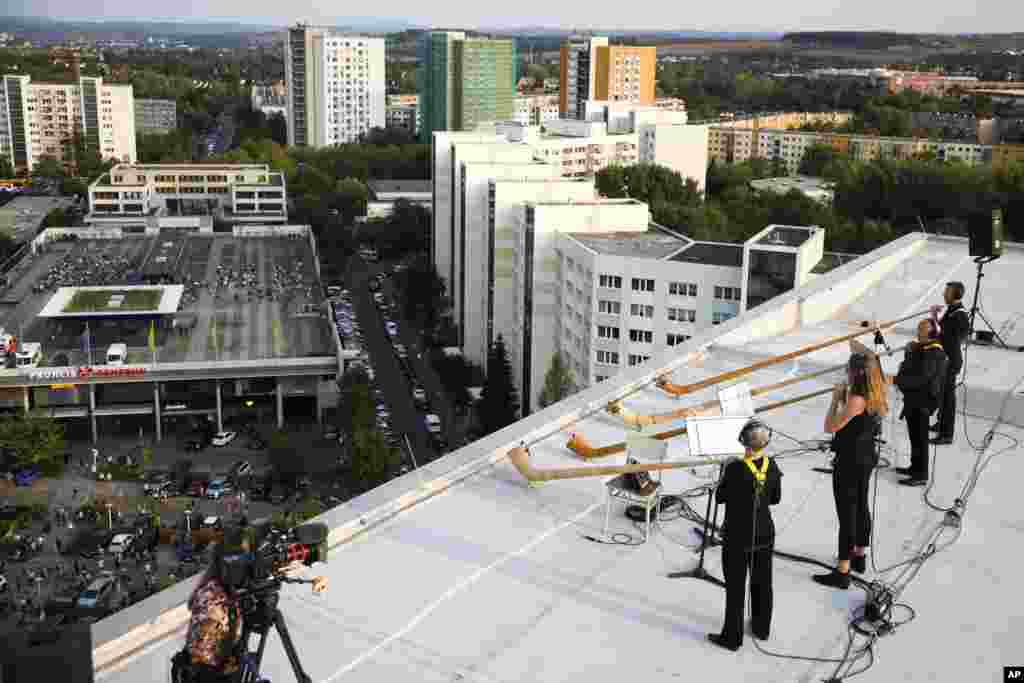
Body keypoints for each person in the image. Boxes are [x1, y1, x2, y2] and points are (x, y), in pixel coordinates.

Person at [708, 418, 782, 652]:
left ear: (744, 443)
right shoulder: (772, 465)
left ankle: (732, 637)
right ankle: (762, 627)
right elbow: (775, 499)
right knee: (763, 582)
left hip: (737, 536)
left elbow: (720, 497)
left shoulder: (735, 468)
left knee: (736, 587)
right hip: (765, 533)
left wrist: (725, 473)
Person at [815, 352, 888, 589]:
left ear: (854, 373)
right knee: (861, 505)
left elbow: (830, 426)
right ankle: (859, 556)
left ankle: (843, 571)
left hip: (850, 461)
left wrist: (835, 399)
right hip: (866, 456)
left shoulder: (856, 400)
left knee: (847, 513)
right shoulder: (877, 392)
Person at [894, 320, 948, 486]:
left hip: (923, 400)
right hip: (915, 399)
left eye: (921, 330)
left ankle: (921, 474)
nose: (918, 332)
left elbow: (921, 377)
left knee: (920, 438)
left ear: (931, 333)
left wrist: (898, 380)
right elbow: (911, 366)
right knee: (914, 436)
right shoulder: (923, 349)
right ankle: (914, 467)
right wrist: (909, 352)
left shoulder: (934, 352)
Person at [932, 281, 971, 444]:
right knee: (942, 394)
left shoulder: (959, 314)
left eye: (946, 292)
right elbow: (940, 332)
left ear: (954, 294)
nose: (943, 294)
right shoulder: (952, 311)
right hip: (945, 360)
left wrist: (935, 321)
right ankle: (941, 424)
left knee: (948, 398)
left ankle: (946, 434)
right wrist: (935, 317)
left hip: (950, 361)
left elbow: (944, 336)